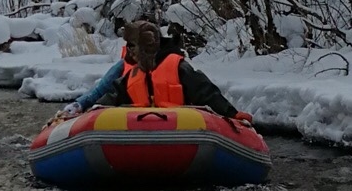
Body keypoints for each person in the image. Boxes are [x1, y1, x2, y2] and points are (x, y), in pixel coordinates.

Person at [59, 19, 248, 121]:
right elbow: (108, 97)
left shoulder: (178, 66)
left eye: (132, 45)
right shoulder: (132, 75)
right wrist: (86, 114)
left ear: (145, 45)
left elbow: (206, 92)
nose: (128, 50)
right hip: (141, 127)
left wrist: (231, 113)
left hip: (182, 128)